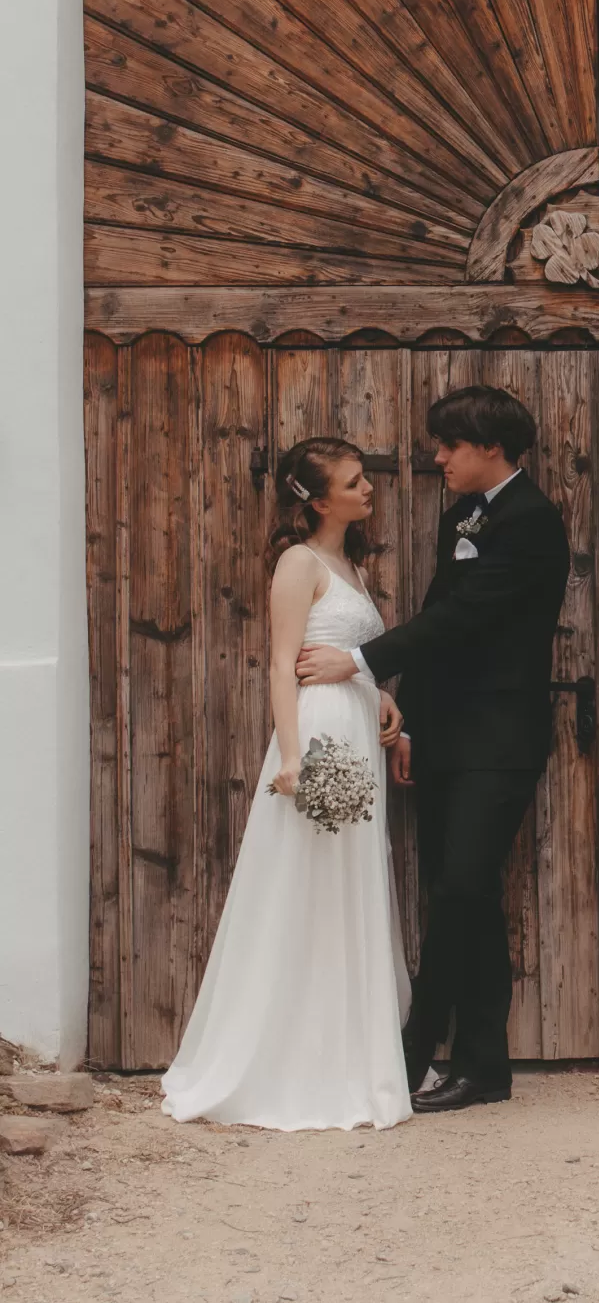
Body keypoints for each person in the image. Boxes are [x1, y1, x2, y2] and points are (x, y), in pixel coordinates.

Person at [297, 386, 570, 1114]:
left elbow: (467, 615)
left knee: (460, 890)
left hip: (499, 738)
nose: (438, 457)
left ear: (491, 447)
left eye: (449, 445)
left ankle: (419, 1046)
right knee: (466, 899)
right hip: (446, 734)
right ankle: (482, 1068)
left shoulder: (532, 520)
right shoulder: (462, 515)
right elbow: (438, 618)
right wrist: (411, 723)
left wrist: (359, 661)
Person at [162, 439, 412, 1133]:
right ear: (320, 501)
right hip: (320, 734)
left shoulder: (351, 565)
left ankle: (350, 1050)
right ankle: (295, 1061)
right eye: (354, 483)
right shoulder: (298, 563)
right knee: (310, 882)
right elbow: (282, 666)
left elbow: (346, 657)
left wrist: (380, 695)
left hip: (356, 725)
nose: (368, 489)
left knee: (349, 881)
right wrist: (294, 757)